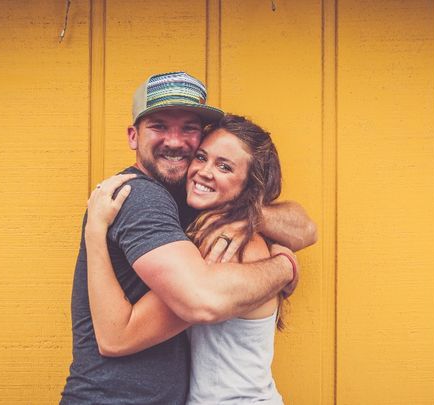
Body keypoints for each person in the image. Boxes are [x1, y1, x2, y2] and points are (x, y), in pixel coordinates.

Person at [60, 72, 316, 405]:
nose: (175, 142)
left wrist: (251, 215)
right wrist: (284, 267)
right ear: (133, 136)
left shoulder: (208, 219)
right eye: (159, 126)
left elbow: (307, 229)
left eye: (189, 129)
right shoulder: (145, 199)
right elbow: (127, 332)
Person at [86, 114, 289, 404]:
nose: (204, 172)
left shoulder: (227, 247)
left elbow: (117, 336)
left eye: (224, 166)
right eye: (202, 157)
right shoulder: (203, 226)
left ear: (249, 185)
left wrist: (95, 233)